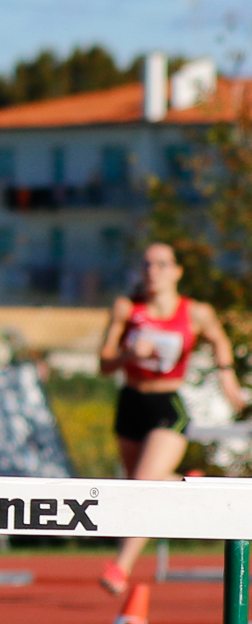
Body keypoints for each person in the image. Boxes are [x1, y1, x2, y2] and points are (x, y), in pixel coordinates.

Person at [97, 241, 236, 594]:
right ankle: (190, 484)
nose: (152, 271)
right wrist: (129, 354)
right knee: (137, 490)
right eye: (146, 265)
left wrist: (227, 379)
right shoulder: (127, 308)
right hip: (130, 403)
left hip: (167, 406)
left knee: (144, 485)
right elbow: (104, 364)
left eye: (161, 264)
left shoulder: (195, 312)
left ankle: (120, 567)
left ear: (176, 271)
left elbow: (220, 341)